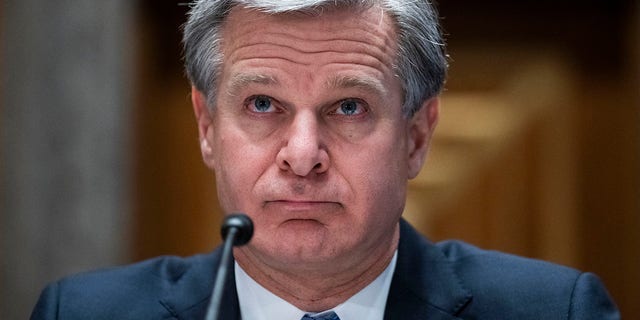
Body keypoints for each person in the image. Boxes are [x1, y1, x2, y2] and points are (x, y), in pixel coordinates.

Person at [31, 0, 620, 319]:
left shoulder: (555, 313)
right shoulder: (83, 314)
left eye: (348, 107)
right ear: (207, 127)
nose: (303, 155)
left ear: (416, 137)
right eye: (263, 104)